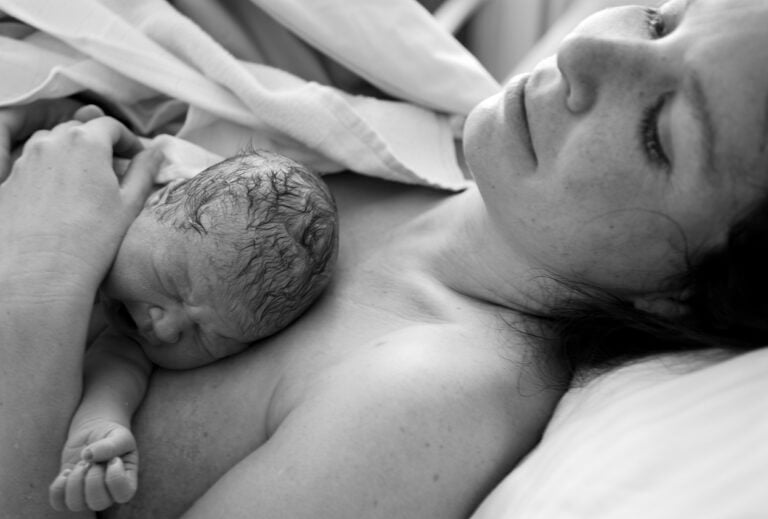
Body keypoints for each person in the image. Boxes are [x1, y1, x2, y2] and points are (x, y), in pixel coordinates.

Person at [1, 0, 767, 517]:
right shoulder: (403, 142)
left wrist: (37, 277)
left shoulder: (425, 399)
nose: (591, 50)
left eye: (658, 131)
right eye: (662, 18)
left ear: (682, 292)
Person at [0, 102, 339, 513]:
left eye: (207, 337)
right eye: (173, 287)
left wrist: (99, 425)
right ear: (164, 198)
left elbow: (117, 367)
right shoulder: (107, 180)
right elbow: (69, 127)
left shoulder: (132, 336)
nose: (164, 330)